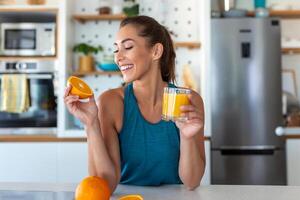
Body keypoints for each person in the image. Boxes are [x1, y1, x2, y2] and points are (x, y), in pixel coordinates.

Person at [64, 15, 205, 193]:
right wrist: (91, 124)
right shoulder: (111, 102)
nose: (118, 57)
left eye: (128, 47)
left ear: (156, 52)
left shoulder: (187, 101)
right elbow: (106, 184)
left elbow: (192, 182)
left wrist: (187, 137)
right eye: (116, 50)